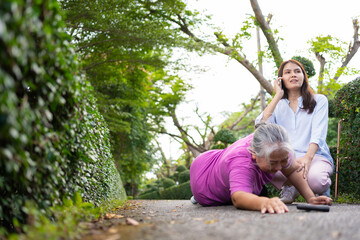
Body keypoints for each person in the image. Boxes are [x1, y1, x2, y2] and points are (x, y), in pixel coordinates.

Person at [189, 123, 332, 214]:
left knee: (253, 191)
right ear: (254, 154)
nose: (279, 168)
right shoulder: (241, 161)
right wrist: (264, 202)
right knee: (245, 195)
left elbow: (292, 170)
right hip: (204, 179)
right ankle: (197, 197)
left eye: (283, 161)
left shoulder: (278, 145)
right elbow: (238, 199)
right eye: (273, 162)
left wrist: (311, 198)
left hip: (223, 165)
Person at [255, 59, 334, 204]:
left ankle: (320, 189)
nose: (293, 75)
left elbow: (319, 134)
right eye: (288, 72)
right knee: (264, 168)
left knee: (317, 181)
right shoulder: (277, 105)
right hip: (287, 159)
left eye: (298, 71)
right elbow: (260, 126)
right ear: (281, 79)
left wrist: (307, 159)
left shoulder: (319, 100)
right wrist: (277, 95)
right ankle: (290, 186)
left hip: (315, 155)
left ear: (304, 77)